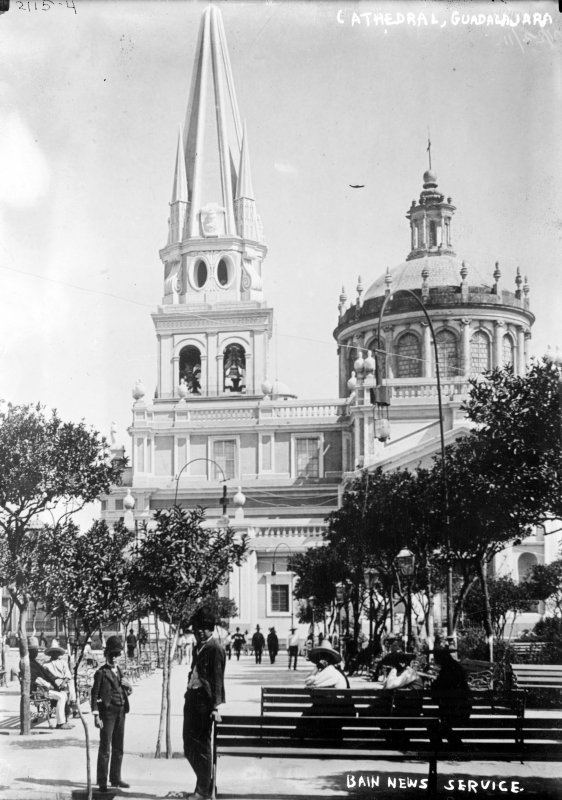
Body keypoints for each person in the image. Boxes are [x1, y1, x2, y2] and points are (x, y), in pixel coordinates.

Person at [183, 606, 225, 800]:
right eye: (198, 626)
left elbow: (218, 679)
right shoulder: (197, 646)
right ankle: (204, 785)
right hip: (192, 698)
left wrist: (215, 707)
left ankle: (203, 790)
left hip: (204, 703)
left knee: (201, 746)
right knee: (188, 745)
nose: (200, 630)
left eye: (205, 627)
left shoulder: (215, 647)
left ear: (212, 627)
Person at [91, 635, 132, 792]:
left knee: (118, 747)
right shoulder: (101, 673)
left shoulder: (119, 671)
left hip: (121, 711)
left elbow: (123, 690)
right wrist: (96, 715)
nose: (115, 658)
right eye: (112, 654)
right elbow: (94, 695)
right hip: (107, 714)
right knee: (105, 747)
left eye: (117, 654)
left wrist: (128, 687)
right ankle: (102, 781)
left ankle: (115, 778)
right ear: (106, 655)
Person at [296, 640, 354, 742]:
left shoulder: (329, 671)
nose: (320, 660)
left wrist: (316, 668)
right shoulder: (334, 671)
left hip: (337, 711)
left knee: (309, 713)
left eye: (322, 657)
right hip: (340, 709)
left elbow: (308, 681)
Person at [430, 648, 472, 748]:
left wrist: (434, 684)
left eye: (436, 657)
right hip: (461, 708)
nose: (435, 659)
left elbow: (438, 688)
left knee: (431, 722)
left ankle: (444, 747)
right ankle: (455, 745)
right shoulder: (455, 667)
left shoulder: (447, 670)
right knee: (436, 722)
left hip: (456, 710)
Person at [28, 637, 73, 730]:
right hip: (39, 690)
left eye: (36, 650)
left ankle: (62, 721)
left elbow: (49, 675)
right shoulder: (29, 663)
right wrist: (50, 685)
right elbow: (36, 679)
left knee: (63, 695)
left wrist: (57, 683)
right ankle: (61, 723)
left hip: (45, 688)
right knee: (61, 696)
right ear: (30, 651)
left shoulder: (35, 662)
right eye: (34, 650)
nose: (36, 652)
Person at [43, 643, 78, 716]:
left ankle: (73, 702)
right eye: (53, 652)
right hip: (53, 681)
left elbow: (67, 675)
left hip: (63, 680)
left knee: (71, 682)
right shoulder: (46, 664)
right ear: (50, 653)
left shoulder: (63, 662)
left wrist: (64, 682)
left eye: (56, 652)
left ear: (58, 653)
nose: (54, 654)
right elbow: (45, 675)